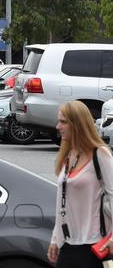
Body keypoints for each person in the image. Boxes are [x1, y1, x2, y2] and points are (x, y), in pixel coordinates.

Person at [48, 101, 113, 267]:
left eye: (63, 122)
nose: (58, 126)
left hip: (95, 246)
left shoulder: (100, 154)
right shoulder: (68, 156)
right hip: (69, 245)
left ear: (77, 124)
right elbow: (61, 204)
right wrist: (55, 239)